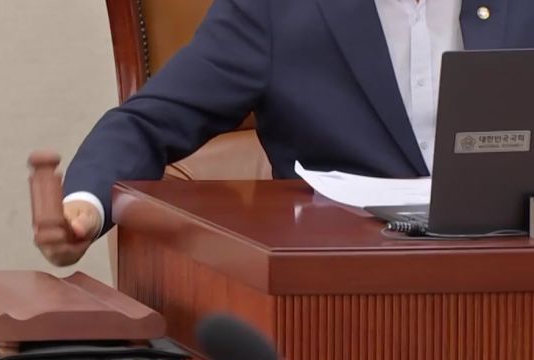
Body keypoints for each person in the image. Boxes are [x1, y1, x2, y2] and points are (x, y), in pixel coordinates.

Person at [34, 0, 534, 266]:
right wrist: (84, 207)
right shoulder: (276, 10)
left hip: (512, 268)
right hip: (342, 288)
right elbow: (149, 122)